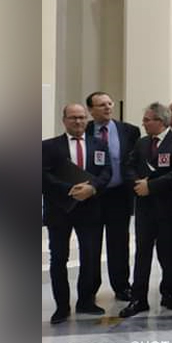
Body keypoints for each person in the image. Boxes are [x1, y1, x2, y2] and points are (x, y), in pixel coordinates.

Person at [43, 104, 112, 324]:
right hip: (60, 209)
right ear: (64, 120)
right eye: (73, 118)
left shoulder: (99, 144)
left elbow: (106, 172)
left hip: (90, 207)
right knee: (59, 258)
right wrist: (68, 190)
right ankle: (61, 306)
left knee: (91, 257)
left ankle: (86, 301)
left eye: (82, 117)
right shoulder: (49, 146)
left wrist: (92, 188)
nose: (78, 122)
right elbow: (43, 176)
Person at [119, 103, 172, 318]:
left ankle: (168, 292)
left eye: (148, 119)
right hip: (145, 208)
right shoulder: (141, 142)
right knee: (142, 253)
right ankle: (138, 298)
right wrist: (137, 183)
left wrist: (152, 186)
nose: (144, 123)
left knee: (168, 254)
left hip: (168, 209)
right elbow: (128, 166)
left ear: (161, 121)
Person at [85, 91, 141, 301]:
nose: (108, 107)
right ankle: (89, 289)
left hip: (119, 195)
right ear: (91, 110)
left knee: (118, 243)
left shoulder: (129, 131)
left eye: (109, 103)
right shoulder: (86, 130)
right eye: (101, 105)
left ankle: (121, 286)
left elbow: (134, 162)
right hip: (93, 196)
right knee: (91, 244)